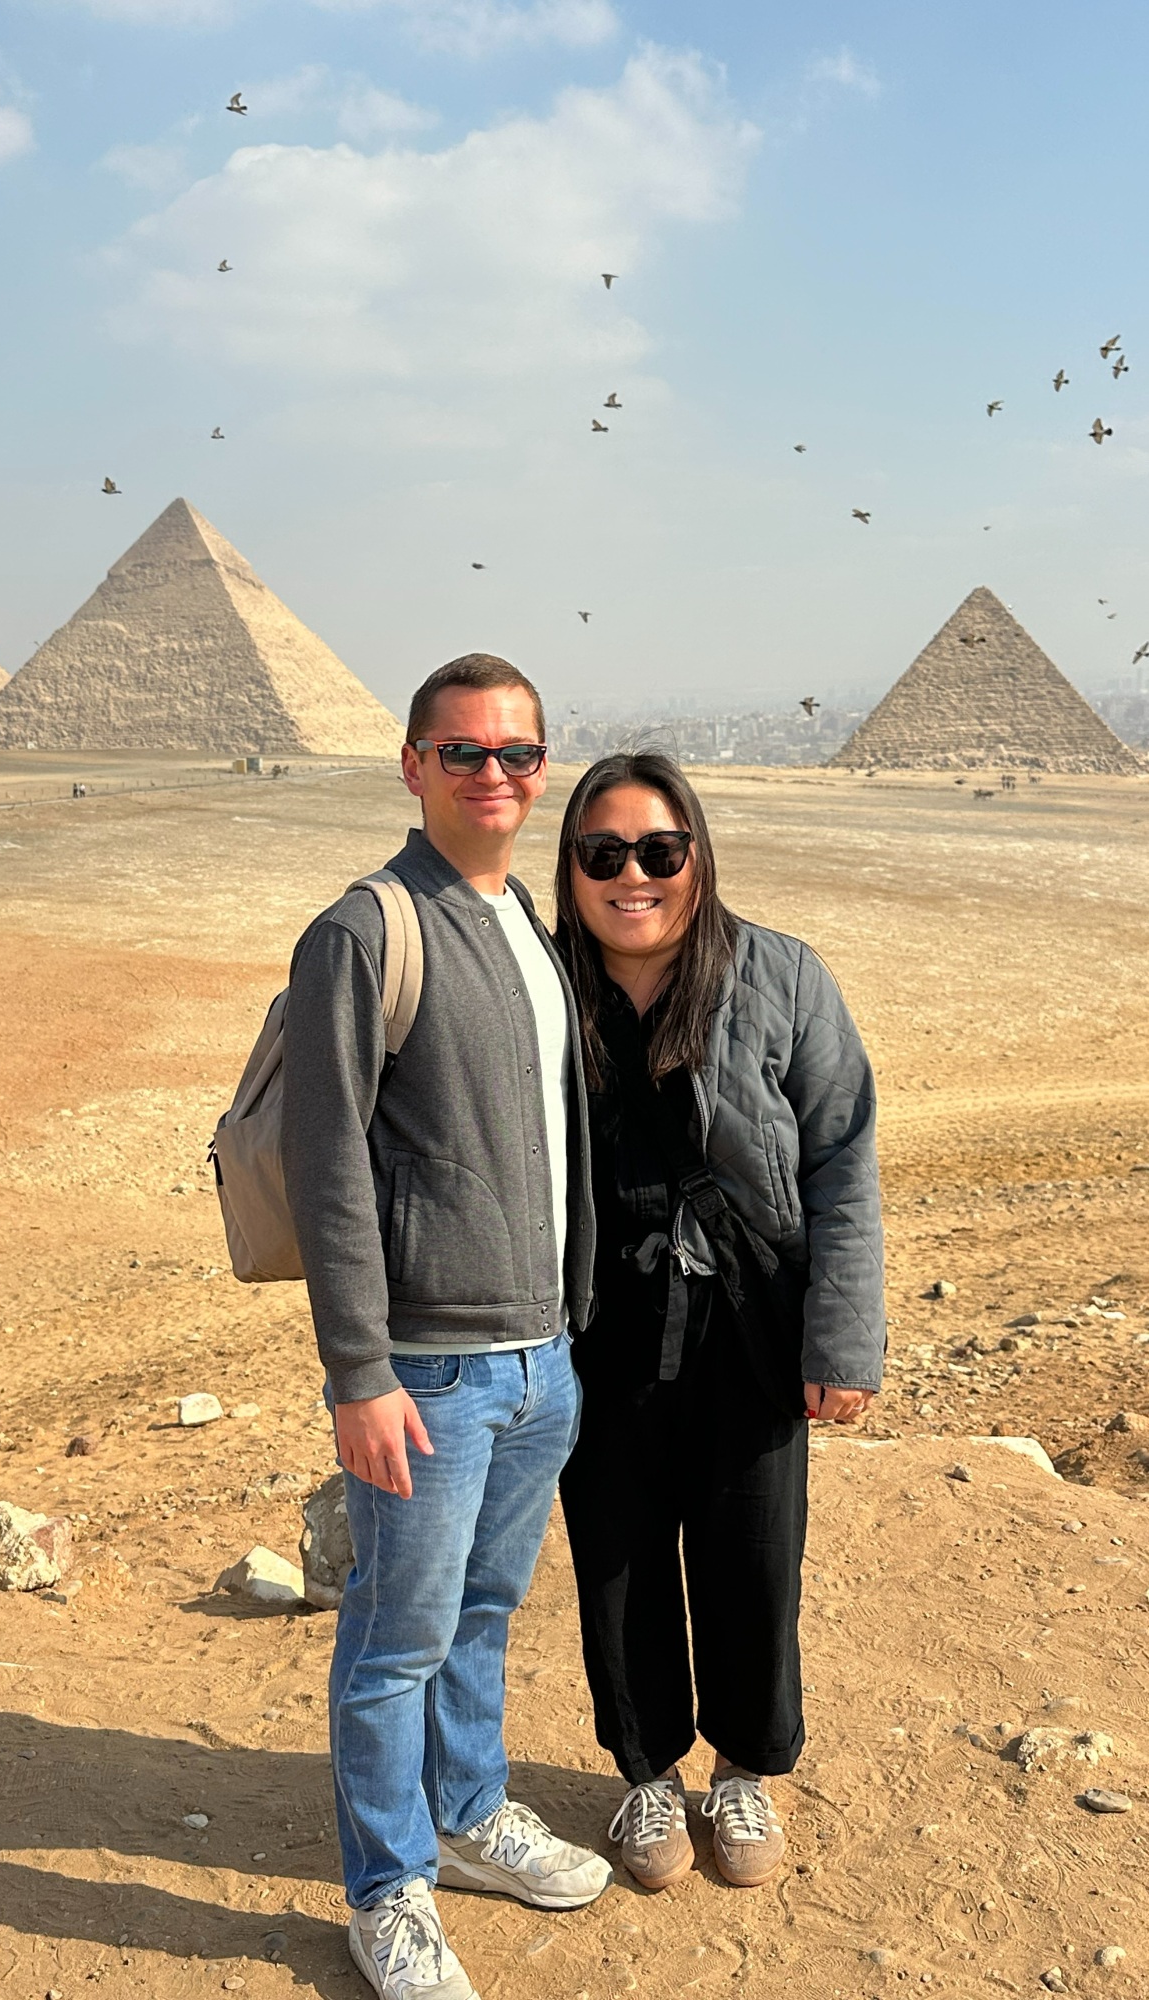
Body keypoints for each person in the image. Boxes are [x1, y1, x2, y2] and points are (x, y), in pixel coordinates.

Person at [282, 656, 612, 2000]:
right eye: (464, 752)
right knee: (394, 1640)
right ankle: (387, 1891)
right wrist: (358, 1372)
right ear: (412, 765)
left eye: (517, 753)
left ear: (543, 768)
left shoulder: (527, 920)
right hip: (426, 1368)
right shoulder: (365, 932)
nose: (494, 775)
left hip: (539, 1357)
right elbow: (326, 1165)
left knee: (483, 1611)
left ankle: (468, 1815)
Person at [550, 749, 884, 1894]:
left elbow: (842, 1158)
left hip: (750, 1320)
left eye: (659, 849)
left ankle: (745, 1765)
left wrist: (843, 1340)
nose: (632, 876)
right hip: (599, 1325)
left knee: (753, 1556)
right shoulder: (543, 985)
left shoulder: (782, 976)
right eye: (603, 853)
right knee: (618, 1558)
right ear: (570, 866)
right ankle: (647, 1769)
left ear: (697, 854)